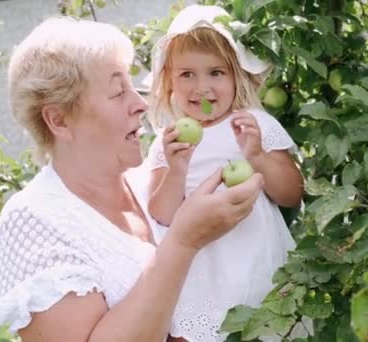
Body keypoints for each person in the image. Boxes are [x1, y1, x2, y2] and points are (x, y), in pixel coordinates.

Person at [0, 16, 264, 342]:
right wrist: (184, 241)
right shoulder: (34, 219)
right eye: (119, 93)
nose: (141, 104)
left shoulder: (150, 181)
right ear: (59, 120)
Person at [144, 5, 304, 341]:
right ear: (169, 82)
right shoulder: (169, 140)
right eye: (187, 74)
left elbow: (291, 193)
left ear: (236, 76)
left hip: (257, 261)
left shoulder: (253, 124)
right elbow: (161, 215)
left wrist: (257, 155)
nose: (201, 87)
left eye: (216, 72)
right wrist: (176, 169)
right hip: (199, 273)